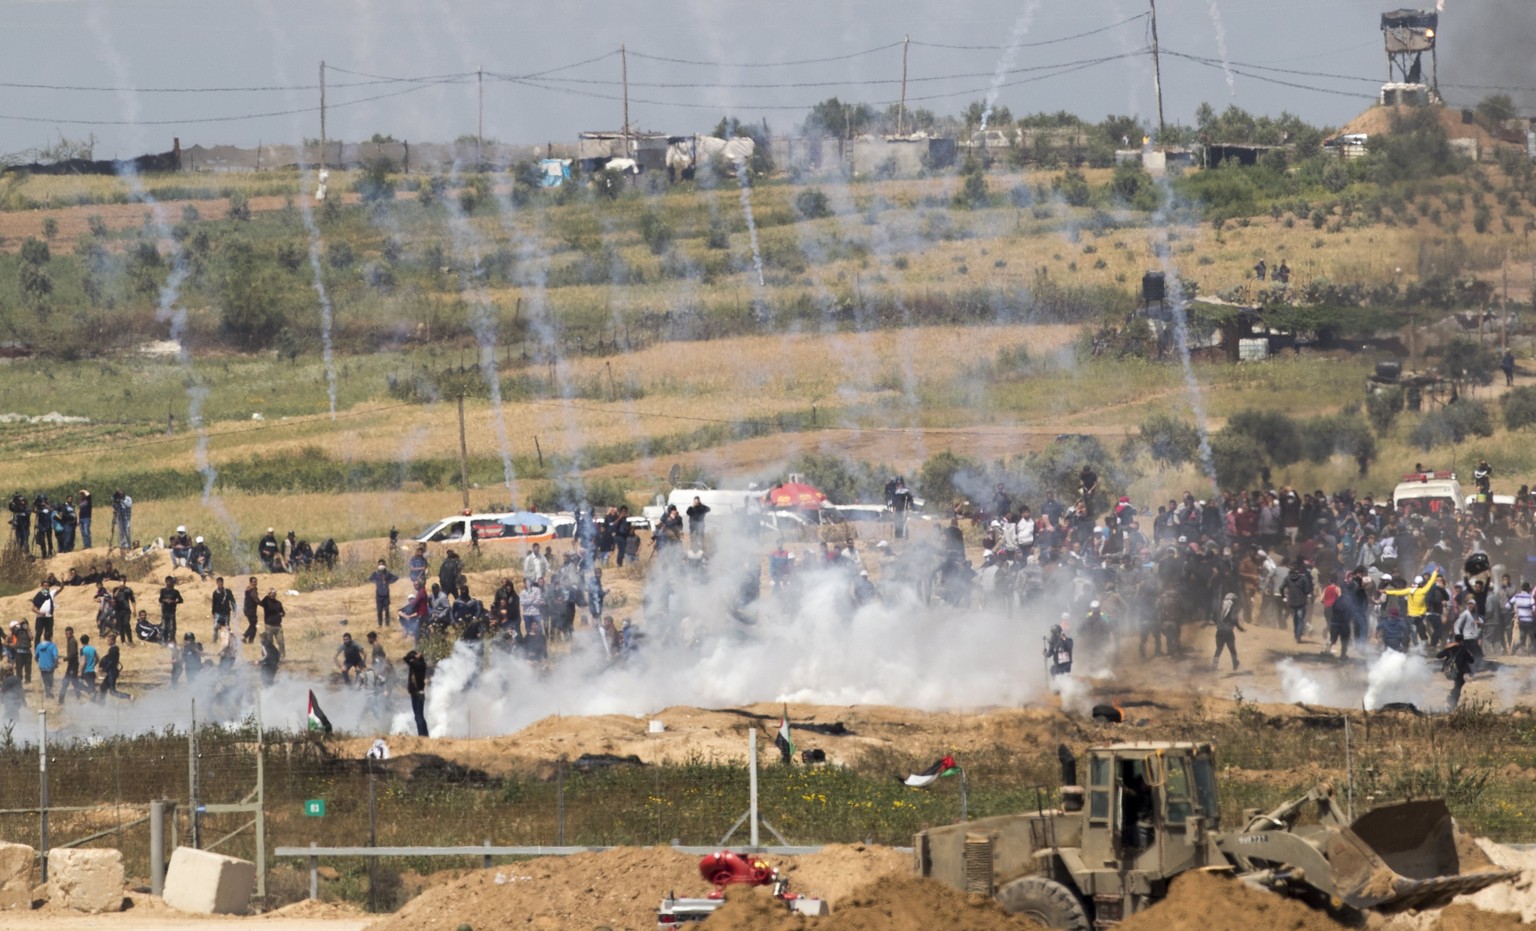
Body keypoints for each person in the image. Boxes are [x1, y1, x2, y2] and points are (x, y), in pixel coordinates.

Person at [1211, 591, 1244, 671]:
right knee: (1232, 649)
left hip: (1219, 632)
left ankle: (1214, 665)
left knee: (1218, 649)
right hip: (1228, 632)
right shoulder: (1232, 608)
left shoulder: (1219, 607)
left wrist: (1219, 624)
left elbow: (1213, 617)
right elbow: (1234, 620)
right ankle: (1235, 663)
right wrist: (1240, 628)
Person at [97, 634, 130, 702]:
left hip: (112, 672)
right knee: (103, 688)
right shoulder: (112, 649)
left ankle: (129, 697)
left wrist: (104, 670)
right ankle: (100, 705)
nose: (107, 641)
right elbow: (107, 659)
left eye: (109, 640)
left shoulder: (114, 649)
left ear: (113, 641)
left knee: (112, 691)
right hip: (111, 672)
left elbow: (110, 661)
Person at [404, 650, 429, 737]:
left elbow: (406, 659)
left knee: (419, 716)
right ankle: (425, 734)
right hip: (415, 694)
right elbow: (407, 659)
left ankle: (422, 735)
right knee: (418, 716)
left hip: (418, 694)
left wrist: (414, 657)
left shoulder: (419, 665)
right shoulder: (416, 665)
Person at [368, 560, 399, 627]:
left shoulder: (387, 573)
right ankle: (380, 624)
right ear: (378, 565)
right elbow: (370, 578)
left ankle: (387, 624)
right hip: (379, 594)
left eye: (382, 564)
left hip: (386, 594)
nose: (381, 566)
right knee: (379, 611)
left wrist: (389, 582)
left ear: (385, 565)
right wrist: (376, 582)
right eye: (380, 564)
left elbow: (396, 577)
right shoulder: (375, 573)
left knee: (387, 610)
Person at [260, 589, 286, 658]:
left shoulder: (278, 603)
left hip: (278, 626)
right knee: (269, 642)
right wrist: (266, 596)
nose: (272, 595)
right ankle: (267, 656)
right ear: (269, 594)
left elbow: (283, 612)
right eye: (271, 593)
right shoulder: (266, 602)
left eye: (274, 593)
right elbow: (261, 603)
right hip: (269, 626)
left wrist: (282, 614)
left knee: (281, 642)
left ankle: (282, 656)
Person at [158, 575, 184, 644]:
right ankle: (164, 641)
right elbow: (160, 599)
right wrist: (165, 600)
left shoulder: (175, 592)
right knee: (164, 627)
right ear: (165, 582)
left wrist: (173, 602)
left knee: (172, 627)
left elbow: (181, 600)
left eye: (170, 582)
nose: (169, 583)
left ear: (172, 582)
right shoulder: (163, 591)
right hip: (164, 611)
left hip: (172, 611)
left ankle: (172, 640)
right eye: (167, 582)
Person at [210, 576, 235, 643]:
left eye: (220, 582)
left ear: (223, 583)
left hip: (226, 612)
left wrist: (234, 609)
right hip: (218, 613)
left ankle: (229, 640)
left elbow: (232, 601)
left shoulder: (227, 591)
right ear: (216, 583)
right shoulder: (215, 593)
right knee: (215, 627)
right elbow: (214, 603)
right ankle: (214, 641)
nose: (219, 584)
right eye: (218, 582)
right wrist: (213, 612)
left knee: (227, 627)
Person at [34, 632, 58, 699]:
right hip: (50, 667)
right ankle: (49, 693)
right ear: (50, 637)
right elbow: (55, 657)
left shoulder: (39, 646)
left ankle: (47, 693)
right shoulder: (52, 646)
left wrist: (39, 662)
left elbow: (36, 656)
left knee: (45, 681)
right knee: (50, 680)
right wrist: (56, 664)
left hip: (42, 667)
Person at [242, 577, 260, 644]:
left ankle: (248, 639)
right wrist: (264, 604)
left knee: (253, 625)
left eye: (256, 581)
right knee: (253, 625)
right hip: (250, 610)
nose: (255, 583)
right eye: (253, 582)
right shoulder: (251, 590)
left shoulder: (252, 589)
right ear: (250, 582)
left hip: (250, 609)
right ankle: (245, 637)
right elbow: (255, 599)